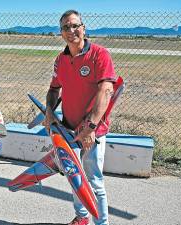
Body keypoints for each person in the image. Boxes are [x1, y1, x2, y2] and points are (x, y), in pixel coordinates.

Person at [43, 10, 117, 225]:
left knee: (93, 182)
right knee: (75, 177)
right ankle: (82, 218)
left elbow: (106, 91)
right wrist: (49, 110)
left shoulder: (99, 54)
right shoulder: (61, 58)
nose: (71, 30)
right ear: (61, 33)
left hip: (92, 131)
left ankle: (101, 223)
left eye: (75, 25)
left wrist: (90, 128)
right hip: (69, 129)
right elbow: (54, 89)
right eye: (66, 27)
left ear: (83, 28)